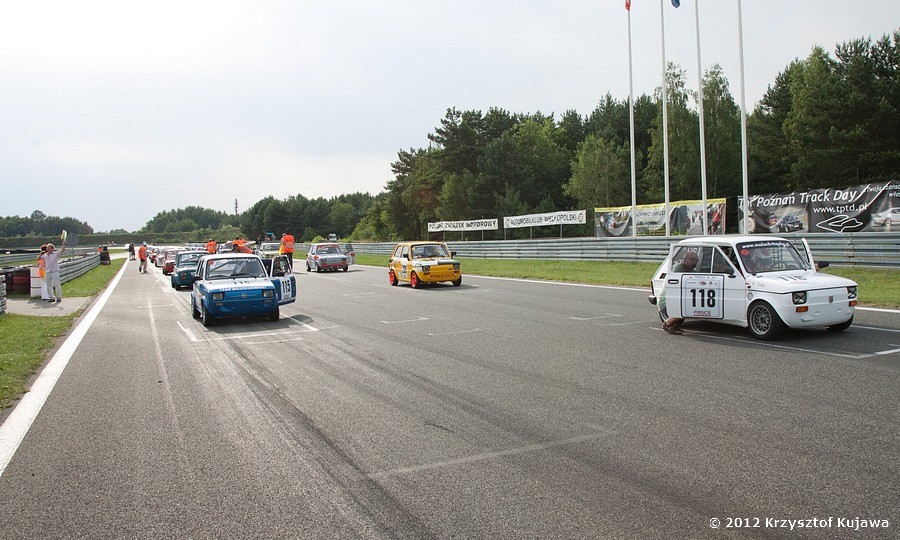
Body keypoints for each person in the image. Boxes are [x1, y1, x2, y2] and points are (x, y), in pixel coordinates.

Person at [661, 250, 699, 335]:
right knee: (685, 308)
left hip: (677, 299)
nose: (694, 262)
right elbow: (678, 282)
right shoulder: (678, 267)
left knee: (690, 305)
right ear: (684, 259)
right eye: (692, 259)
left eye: (696, 260)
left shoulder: (693, 272)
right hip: (666, 301)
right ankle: (667, 323)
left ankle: (675, 325)